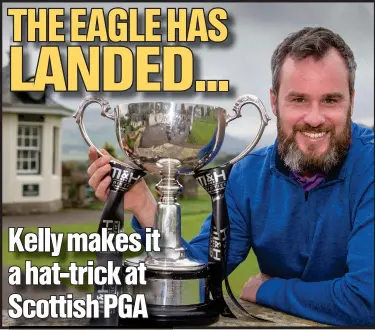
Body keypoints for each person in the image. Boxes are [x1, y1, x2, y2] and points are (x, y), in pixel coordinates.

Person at [87, 27, 374, 326]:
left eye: (330, 100)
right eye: (298, 99)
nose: (315, 118)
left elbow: (366, 300)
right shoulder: (247, 175)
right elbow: (201, 270)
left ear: (351, 100)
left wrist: (267, 288)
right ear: (274, 102)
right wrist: (145, 206)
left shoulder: (370, 167)